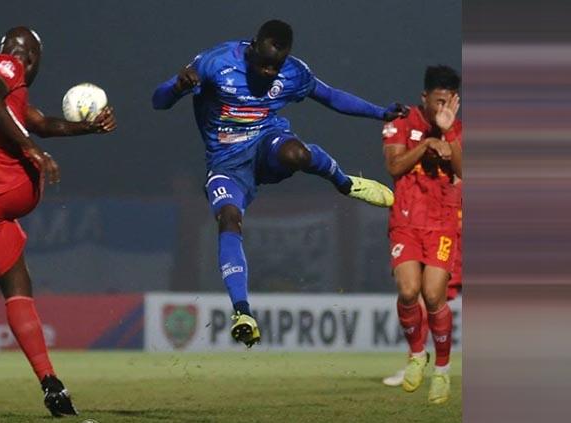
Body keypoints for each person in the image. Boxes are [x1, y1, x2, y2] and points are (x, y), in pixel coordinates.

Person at [152, 19, 408, 347]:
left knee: (296, 153)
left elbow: (331, 96)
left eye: (276, 66)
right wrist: (176, 86)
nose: (270, 72)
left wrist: (380, 113)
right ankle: (242, 312)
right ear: (253, 46)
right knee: (229, 219)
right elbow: (158, 102)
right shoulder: (216, 63)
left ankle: (346, 184)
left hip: (267, 144)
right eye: (264, 63)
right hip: (226, 164)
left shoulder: (293, 72)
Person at [0, 26, 116, 416]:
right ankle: (49, 381)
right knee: (18, 285)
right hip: (5, 188)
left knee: (18, 289)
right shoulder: (6, 65)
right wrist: (31, 151)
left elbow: (39, 122)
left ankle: (51, 384)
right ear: (32, 57)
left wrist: (87, 127)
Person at [383, 65, 461, 404]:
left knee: (433, 296)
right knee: (408, 289)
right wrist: (428, 142)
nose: (442, 110)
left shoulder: (457, 129)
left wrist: (449, 137)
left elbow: (463, 172)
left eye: (449, 103)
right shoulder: (399, 122)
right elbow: (394, 167)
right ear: (424, 98)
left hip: (443, 223)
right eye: (437, 102)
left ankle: (442, 370)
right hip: (405, 221)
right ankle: (417, 356)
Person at [382, 181, 462, 387]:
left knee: (428, 302)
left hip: (452, 242)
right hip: (441, 240)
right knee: (423, 302)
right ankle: (416, 360)